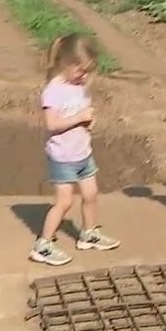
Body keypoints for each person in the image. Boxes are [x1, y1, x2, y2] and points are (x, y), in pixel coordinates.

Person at [29, 33, 120, 266]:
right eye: (80, 70)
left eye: (88, 70)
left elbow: (83, 110)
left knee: (91, 194)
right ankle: (44, 244)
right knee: (64, 202)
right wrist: (79, 118)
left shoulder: (78, 85)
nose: (85, 76)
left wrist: (89, 121)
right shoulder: (53, 91)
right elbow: (51, 124)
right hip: (63, 157)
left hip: (83, 153)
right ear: (66, 64)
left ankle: (88, 233)